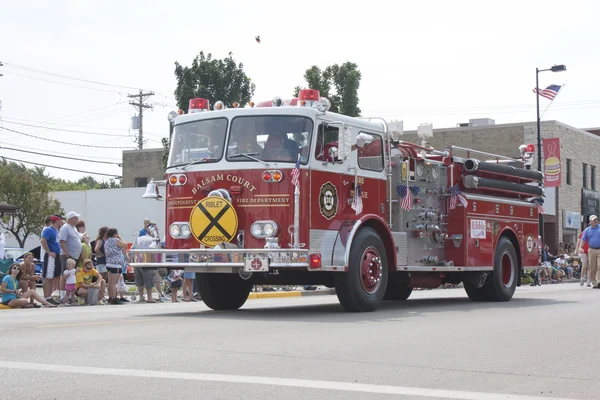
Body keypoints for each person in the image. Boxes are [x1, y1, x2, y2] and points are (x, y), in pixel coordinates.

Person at [59, 212, 83, 303]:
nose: (77, 219)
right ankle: (62, 295)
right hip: (68, 255)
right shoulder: (65, 228)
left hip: (74, 255)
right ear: (70, 218)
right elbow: (62, 241)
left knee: (72, 275)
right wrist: (67, 253)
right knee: (64, 274)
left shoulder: (74, 228)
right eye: (75, 218)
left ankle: (70, 295)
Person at [40, 215, 62, 305]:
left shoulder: (55, 231)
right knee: (48, 276)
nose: (61, 222)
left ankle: (49, 296)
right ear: (56, 221)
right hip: (51, 255)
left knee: (52, 276)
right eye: (60, 221)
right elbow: (43, 240)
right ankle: (46, 297)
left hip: (56, 255)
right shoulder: (48, 230)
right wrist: (48, 252)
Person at [103, 228, 129, 305]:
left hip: (109, 263)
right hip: (116, 264)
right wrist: (120, 237)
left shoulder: (107, 241)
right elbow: (125, 245)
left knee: (110, 282)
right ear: (115, 234)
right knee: (114, 283)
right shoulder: (115, 240)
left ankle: (110, 297)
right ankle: (114, 298)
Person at [581, 214, 600, 289]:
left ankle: (599, 281)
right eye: (594, 220)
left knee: (599, 266)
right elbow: (583, 240)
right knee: (592, 267)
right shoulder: (587, 230)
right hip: (591, 250)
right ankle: (595, 282)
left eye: (596, 219)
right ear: (590, 222)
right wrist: (580, 247)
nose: (596, 221)